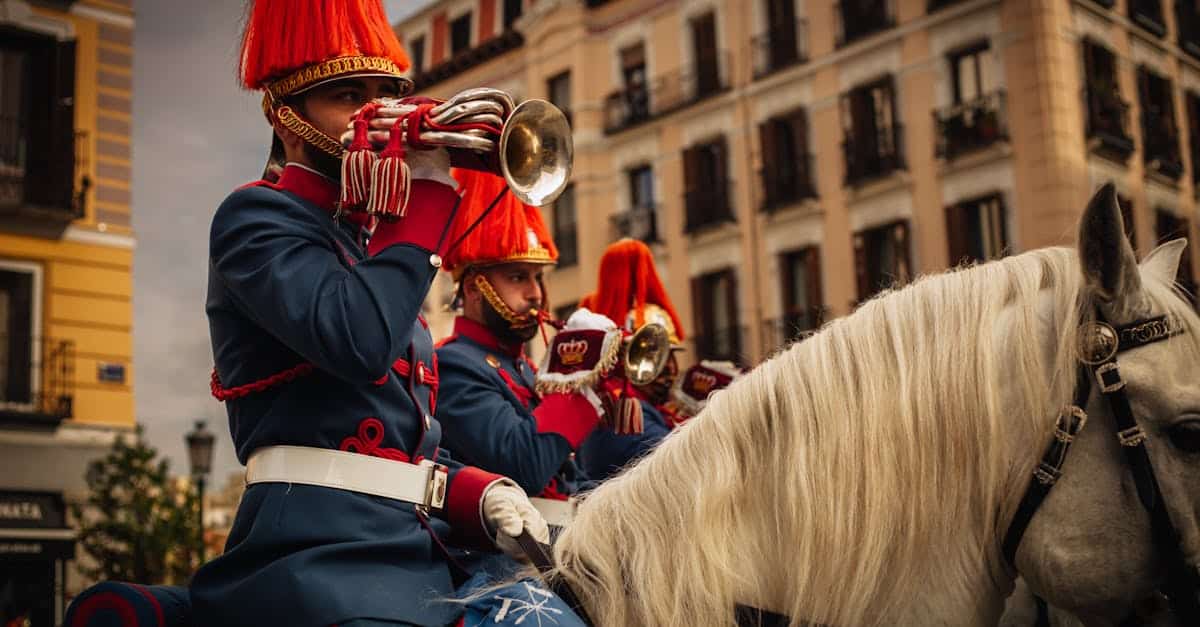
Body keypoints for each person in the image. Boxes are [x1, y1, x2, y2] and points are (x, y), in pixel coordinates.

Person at [190, 3, 549, 625]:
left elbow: (396, 436)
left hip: (411, 549)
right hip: (313, 551)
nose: (377, 114)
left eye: (389, 95)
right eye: (349, 96)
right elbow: (357, 342)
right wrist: (430, 194)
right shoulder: (255, 217)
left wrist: (472, 489)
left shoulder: (372, 244)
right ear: (286, 117)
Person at [435, 169, 610, 528]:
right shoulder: (452, 363)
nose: (536, 294)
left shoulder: (525, 369)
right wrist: (573, 381)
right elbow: (523, 466)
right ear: (473, 288)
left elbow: (570, 479)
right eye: (518, 277)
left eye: (538, 277)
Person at [575, 238, 687, 480]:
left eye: (671, 356)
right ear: (625, 361)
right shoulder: (621, 413)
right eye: (655, 356)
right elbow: (686, 463)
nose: (670, 369)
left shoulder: (656, 409)